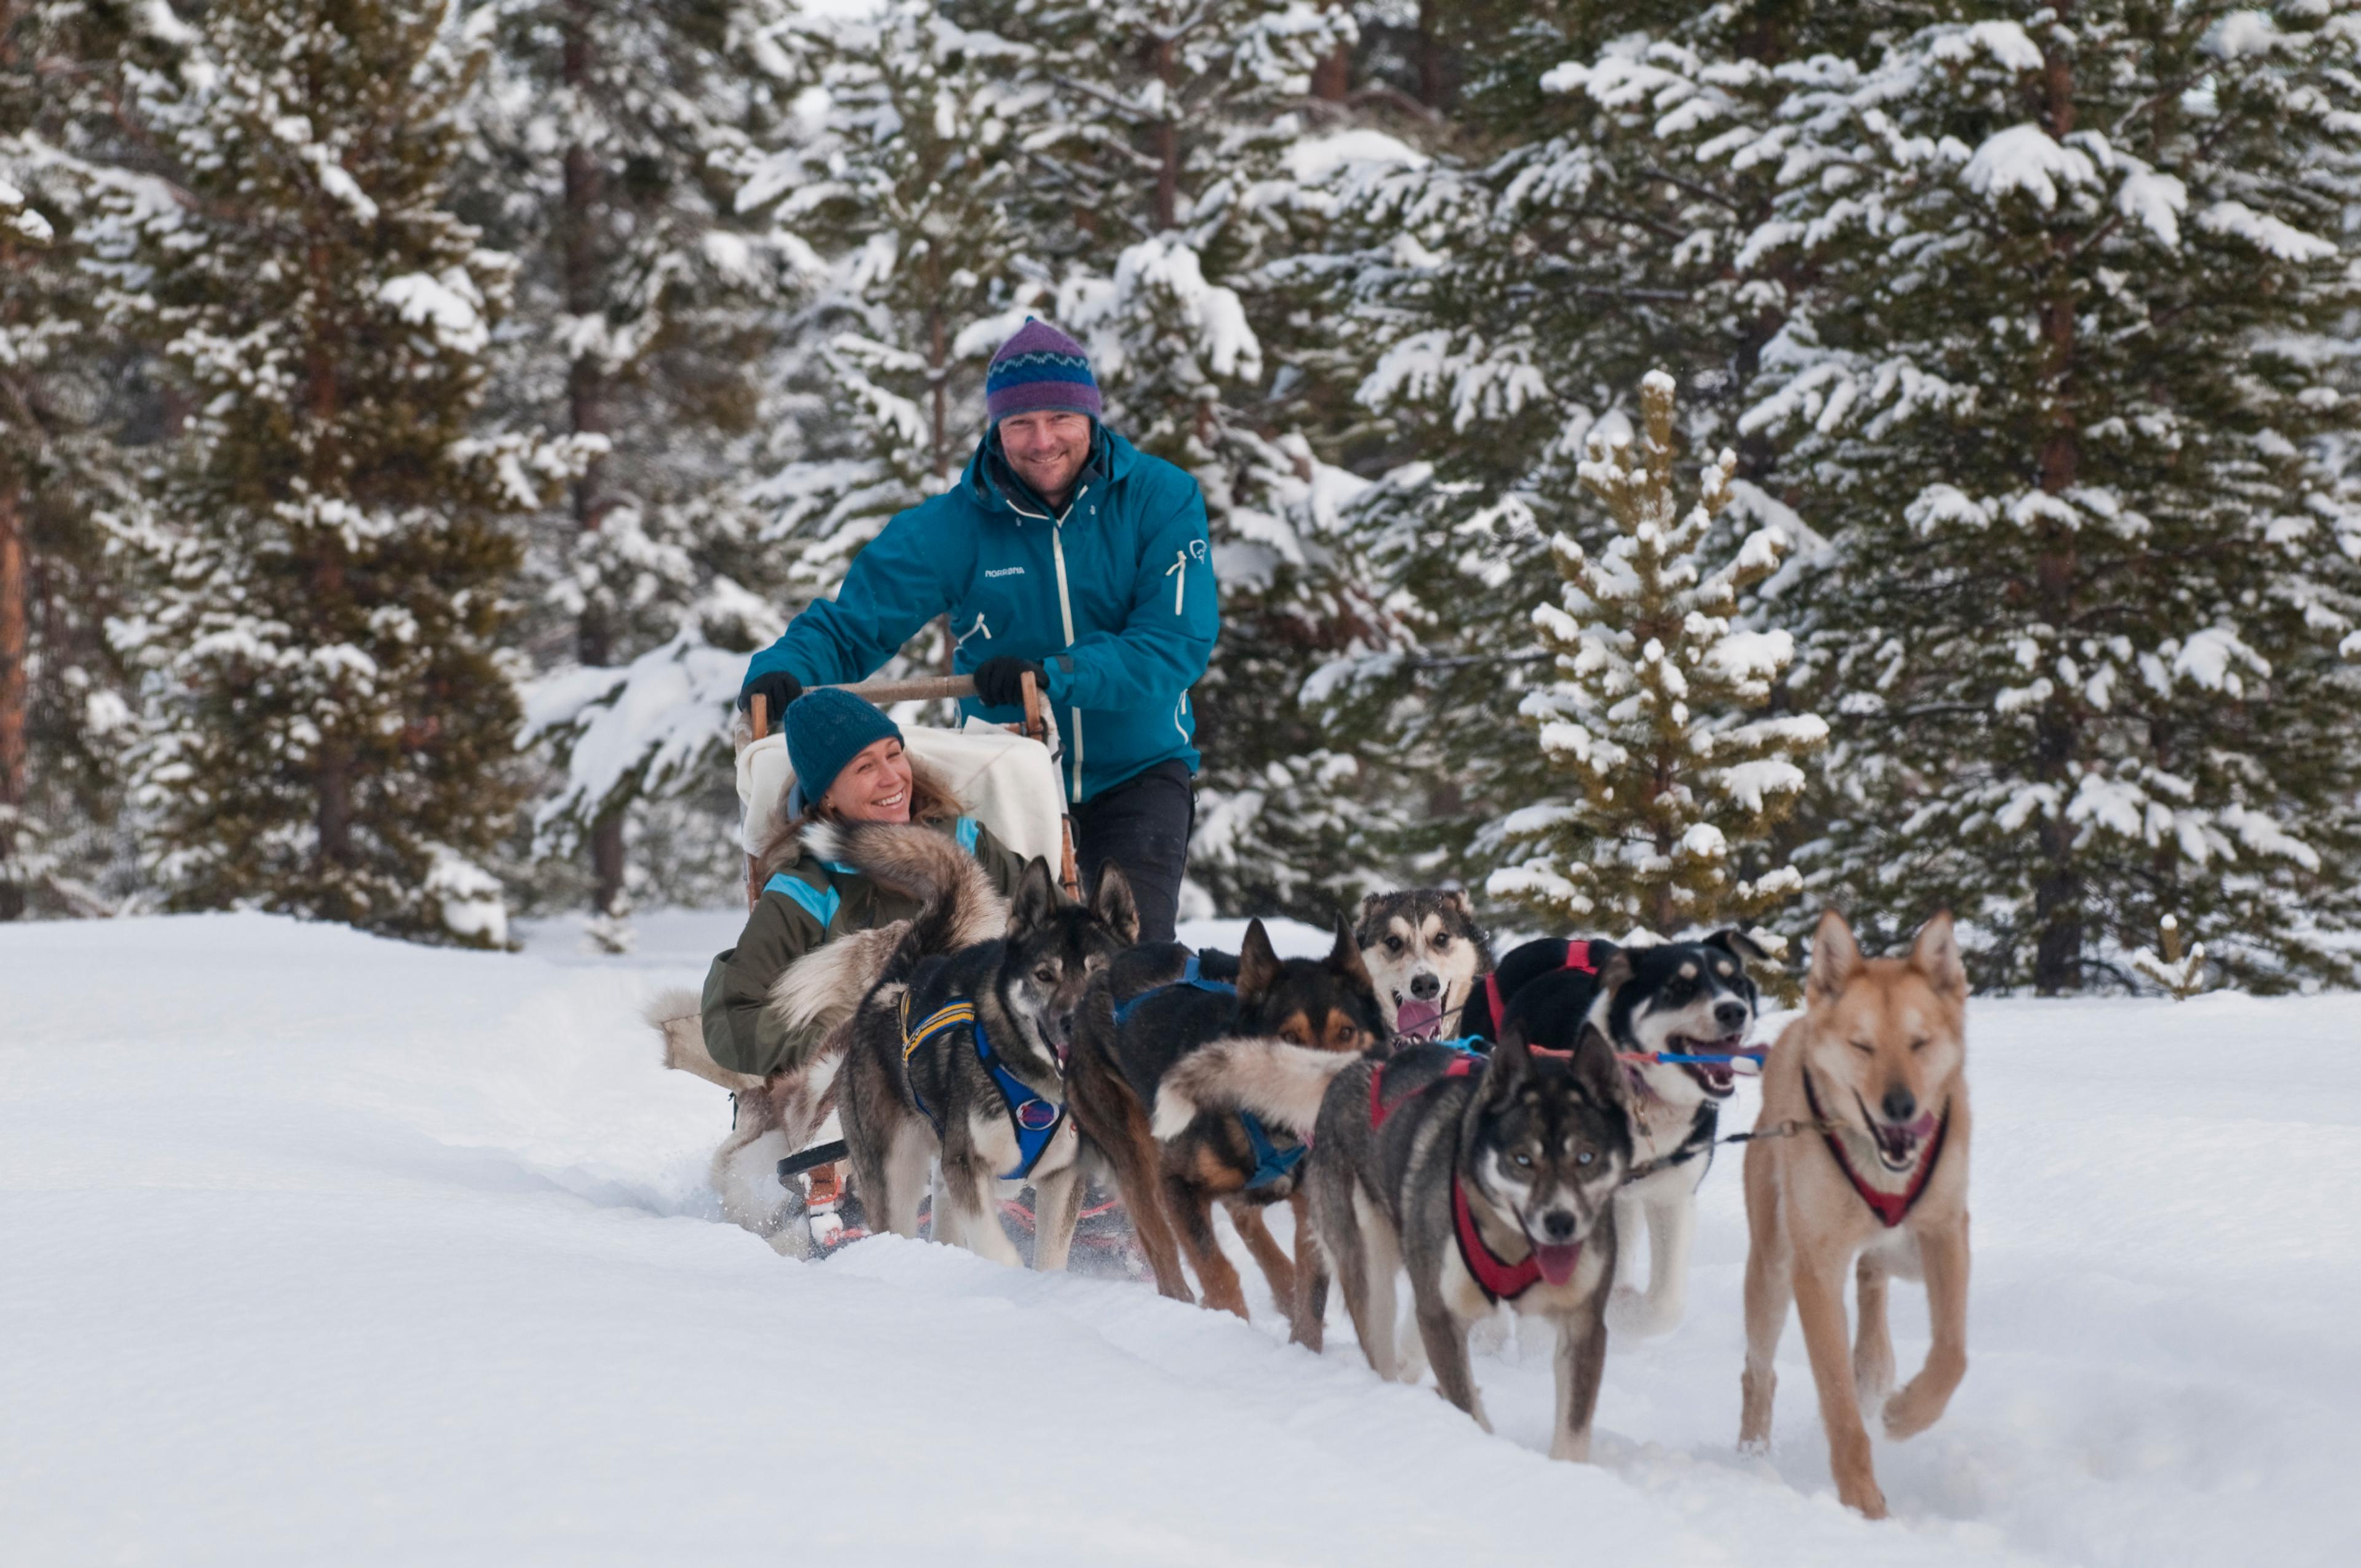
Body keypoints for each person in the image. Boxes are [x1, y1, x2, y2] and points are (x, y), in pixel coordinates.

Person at [738, 318, 1218, 944]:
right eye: (1020, 423)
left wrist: (1054, 675)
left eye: (1059, 419)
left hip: (1140, 770)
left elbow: (1173, 643)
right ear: (996, 427)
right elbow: (854, 622)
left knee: (1130, 952)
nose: (1042, 441)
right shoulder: (955, 525)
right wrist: (789, 668)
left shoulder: (1161, 498)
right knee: (1006, 959)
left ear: (1091, 417)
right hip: (1008, 773)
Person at [700, 688, 1031, 1078]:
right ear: (827, 796)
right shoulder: (807, 889)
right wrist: (836, 1052)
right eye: (865, 767)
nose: (892, 778)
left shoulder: (965, 843)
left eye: (894, 754)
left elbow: (1064, 930)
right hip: (876, 1085)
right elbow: (732, 1013)